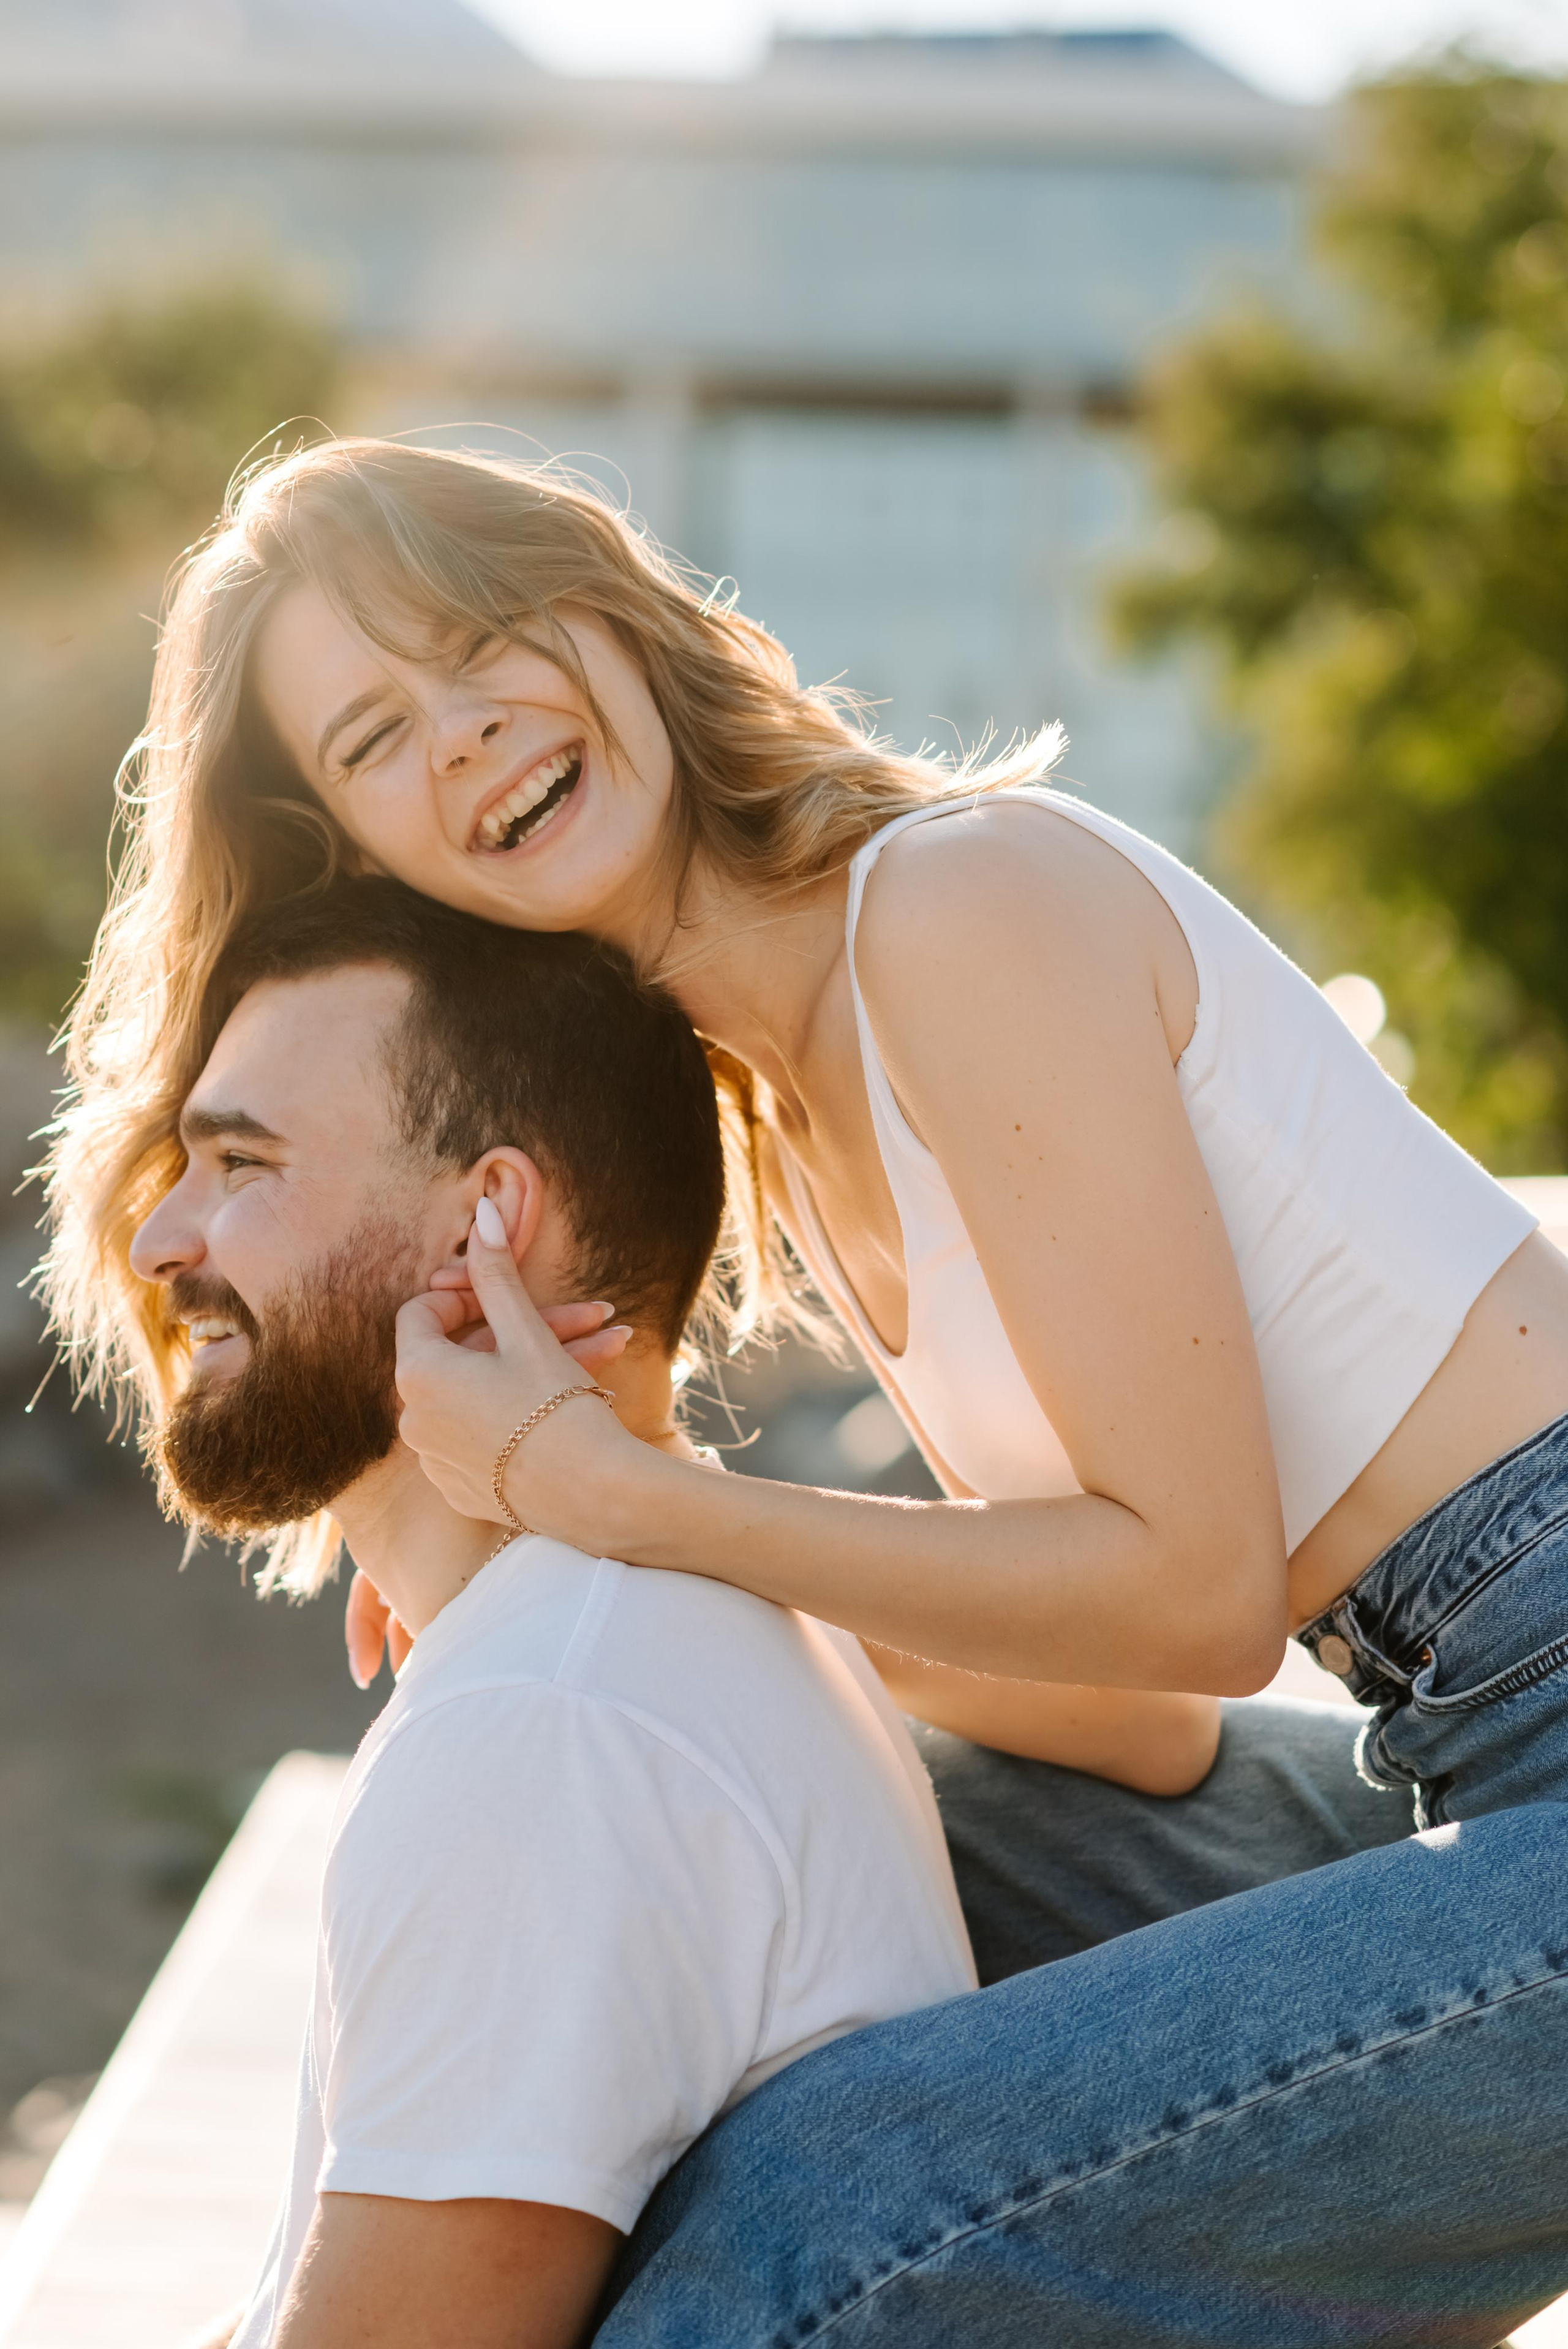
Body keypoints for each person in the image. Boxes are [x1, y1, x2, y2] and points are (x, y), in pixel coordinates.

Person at [46, 437, 1568, 2336]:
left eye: (487, 637)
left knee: (822, 2195)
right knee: (747, 1837)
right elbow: (1132, 1736)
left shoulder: (955, 908)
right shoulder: (791, 1102)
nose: (463, 731)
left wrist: (622, 1501)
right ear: (362, 847)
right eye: (371, 737)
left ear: (612, 614)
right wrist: (583, 1555)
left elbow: (1190, 1602)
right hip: (1456, 1740)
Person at [121, 876, 977, 2348]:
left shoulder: (547, 1730)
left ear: (490, 1224)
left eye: (242, 1163)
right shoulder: (637, 1638)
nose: (156, 1246)